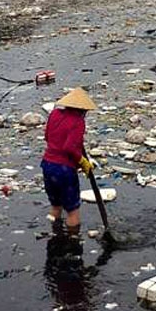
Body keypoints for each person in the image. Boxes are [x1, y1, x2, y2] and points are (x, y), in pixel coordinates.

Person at [41, 88, 96, 235]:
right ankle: (72, 241)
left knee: (56, 206)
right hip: (64, 170)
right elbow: (69, 148)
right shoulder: (78, 122)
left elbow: (47, 137)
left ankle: (54, 233)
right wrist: (82, 162)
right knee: (72, 211)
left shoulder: (54, 114)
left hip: (47, 165)